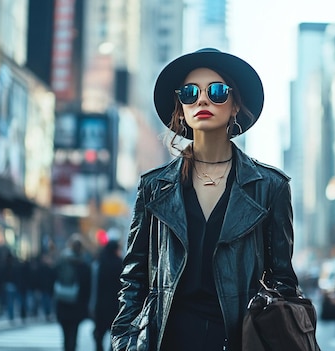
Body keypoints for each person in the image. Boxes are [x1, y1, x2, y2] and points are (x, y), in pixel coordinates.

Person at [111, 48, 301, 351]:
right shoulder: (154, 187)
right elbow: (134, 278)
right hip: (167, 341)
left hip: (239, 341)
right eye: (190, 92)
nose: (202, 99)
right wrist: (125, 342)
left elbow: (284, 282)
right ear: (181, 107)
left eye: (216, 91)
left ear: (235, 104)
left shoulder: (270, 187)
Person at [54, 234, 91, 351]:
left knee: (65, 334)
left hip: (62, 302)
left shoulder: (62, 261)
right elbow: (87, 287)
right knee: (74, 334)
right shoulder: (84, 265)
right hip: (77, 305)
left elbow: (53, 278)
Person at [93, 240, 123, 351]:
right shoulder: (119, 264)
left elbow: (96, 286)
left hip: (101, 305)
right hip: (115, 305)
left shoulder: (100, 263)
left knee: (99, 334)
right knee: (114, 334)